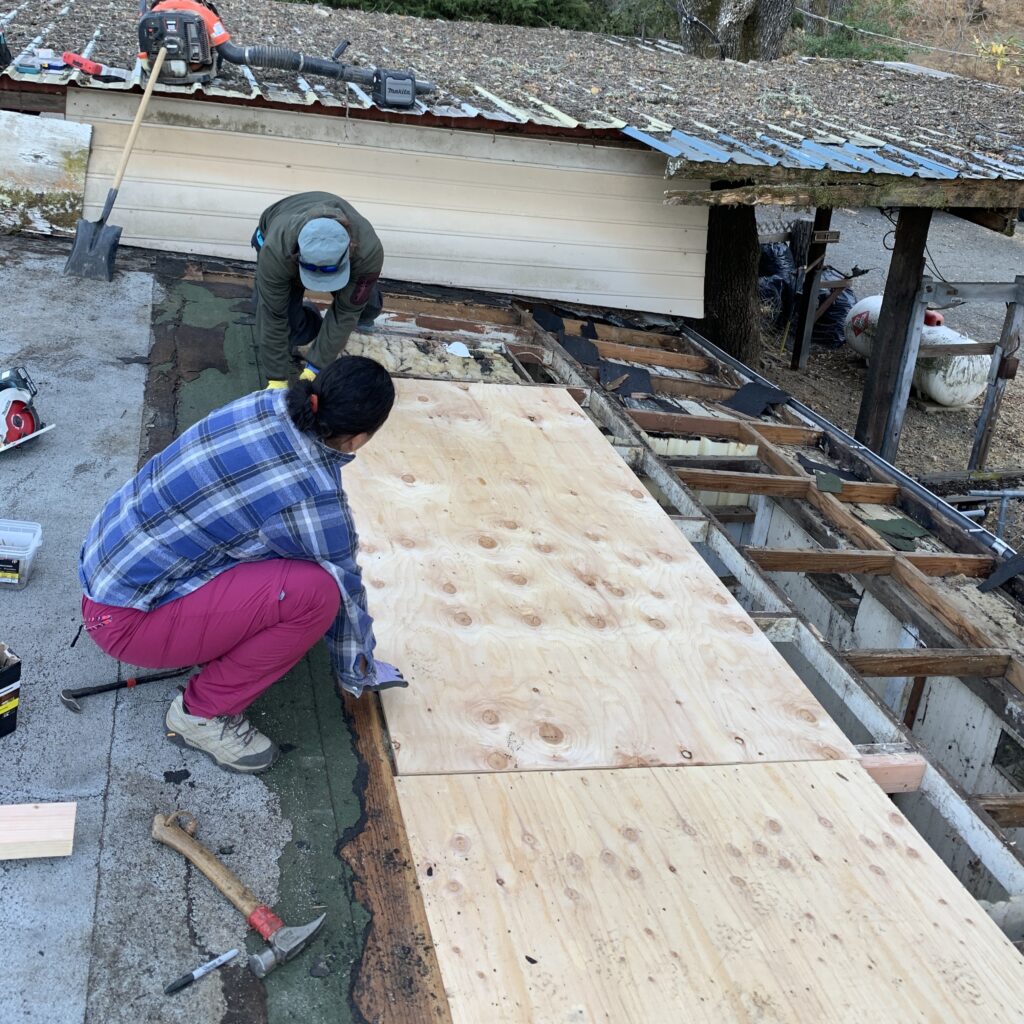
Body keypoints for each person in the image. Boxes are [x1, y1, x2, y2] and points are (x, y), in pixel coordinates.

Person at [78, 357, 405, 774]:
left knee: (284, 554)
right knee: (315, 596)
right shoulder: (315, 498)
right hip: (123, 622)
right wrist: (360, 668)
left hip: (103, 562)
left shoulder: (265, 403)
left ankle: (209, 636)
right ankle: (199, 715)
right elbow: (347, 594)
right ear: (357, 439)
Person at [252, 192, 384, 390]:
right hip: (282, 247)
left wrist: (314, 368)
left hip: (355, 262)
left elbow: (346, 312)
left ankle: (368, 313)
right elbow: (273, 315)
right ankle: (310, 321)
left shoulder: (368, 251)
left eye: (329, 273)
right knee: (275, 314)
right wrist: (276, 379)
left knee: (359, 303)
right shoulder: (276, 251)